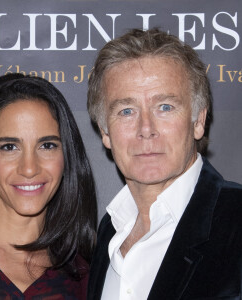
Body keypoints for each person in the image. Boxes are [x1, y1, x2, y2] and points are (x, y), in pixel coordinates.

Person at [87, 28, 242, 300]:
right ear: (105, 133)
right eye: (126, 111)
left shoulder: (236, 221)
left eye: (165, 107)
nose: (146, 129)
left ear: (198, 121)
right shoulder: (108, 233)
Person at [0, 73, 97, 299]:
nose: (29, 168)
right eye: (9, 147)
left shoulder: (84, 273)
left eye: (46, 145)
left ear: (66, 158)